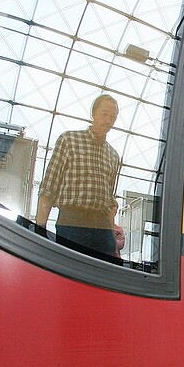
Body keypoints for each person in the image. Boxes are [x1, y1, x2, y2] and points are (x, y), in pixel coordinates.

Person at [36, 94, 122, 257]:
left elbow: (109, 199)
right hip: (72, 221)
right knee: (70, 266)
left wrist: (112, 238)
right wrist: (40, 228)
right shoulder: (69, 140)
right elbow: (49, 186)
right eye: (105, 114)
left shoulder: (113, 155)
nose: (108, 121)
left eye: (113, 117)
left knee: (104, 269)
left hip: (102, 225)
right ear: (93, 113)